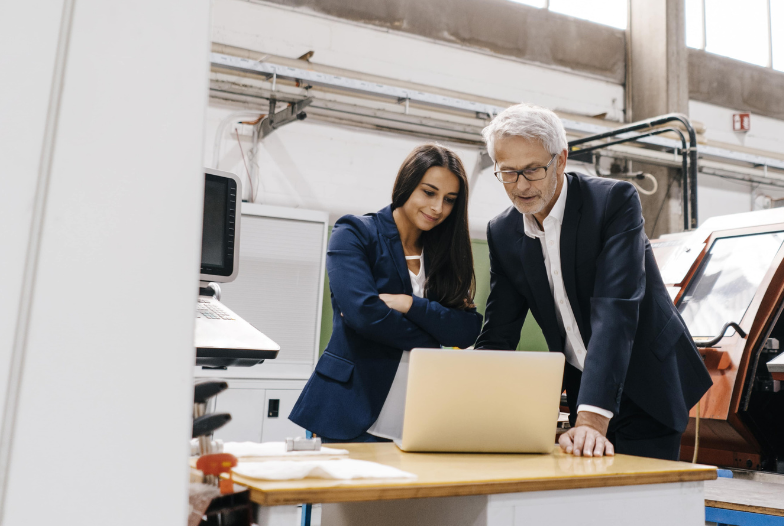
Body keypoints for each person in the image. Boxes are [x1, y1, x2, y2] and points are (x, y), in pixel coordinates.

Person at [475, 104, 712, 461]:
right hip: (584, 387)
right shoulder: (503, 231)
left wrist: (591, 419)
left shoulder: (613, 202)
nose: (521, 185)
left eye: (533, 170)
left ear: (561, 160)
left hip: (647, 382)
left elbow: (614, 310)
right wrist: (470, 408)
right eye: (508, 172)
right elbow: (499, 333)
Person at [290, 144, 482, 442]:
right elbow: (364, 314)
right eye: (429, 192)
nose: (437, 208)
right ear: (407, 184)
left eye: (449, 200)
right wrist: (435, 336)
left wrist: (410, 305)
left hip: (419, 418)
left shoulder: (443, 253)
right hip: (350, 411)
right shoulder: (355, 233)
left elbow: (467, 330)